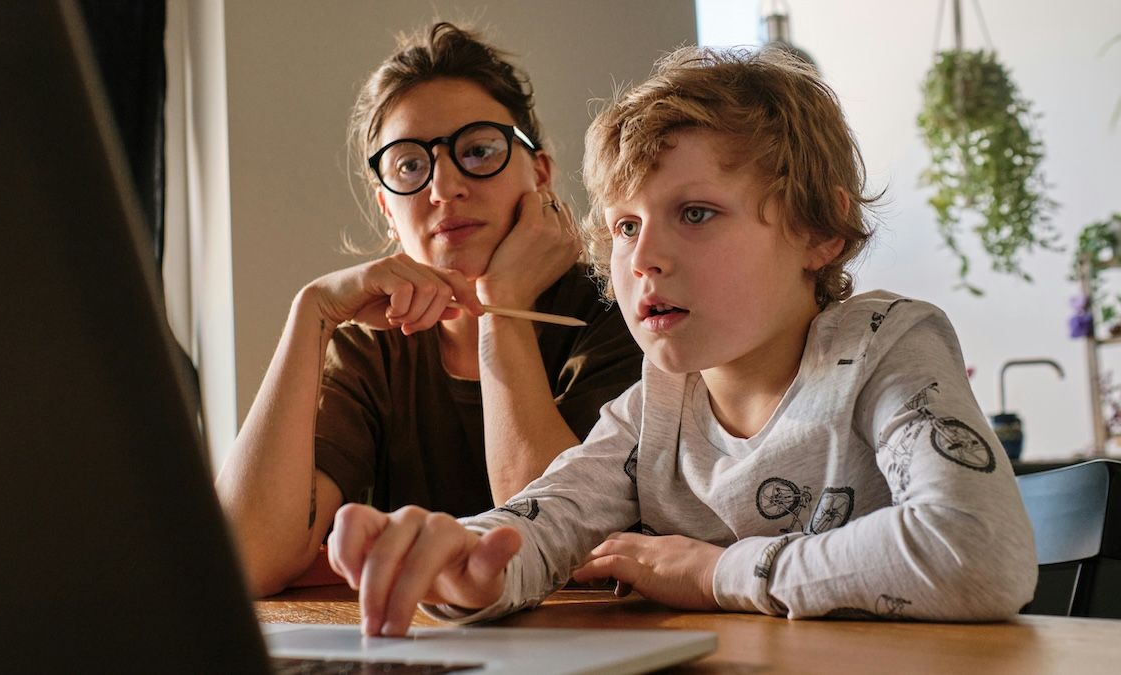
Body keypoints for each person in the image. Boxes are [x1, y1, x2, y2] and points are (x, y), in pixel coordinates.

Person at [325, 46, 1039, 636]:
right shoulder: (653, 409)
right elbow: (542, 521)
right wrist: (467, 561)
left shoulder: (882, 347)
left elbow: (975, 548)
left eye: (695, 212)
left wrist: (714, 571)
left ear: (820, 231)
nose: (643, 258)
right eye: (626, 226)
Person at [215, 22, 643, 598]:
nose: (444, 187)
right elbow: (243, 561)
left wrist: (502, 306)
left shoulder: (620, 309)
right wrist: (311, 313)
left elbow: (556, 542)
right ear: (386, 208)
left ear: (540, 172)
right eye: (409, 166)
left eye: (479, 150)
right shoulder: (372, 345)